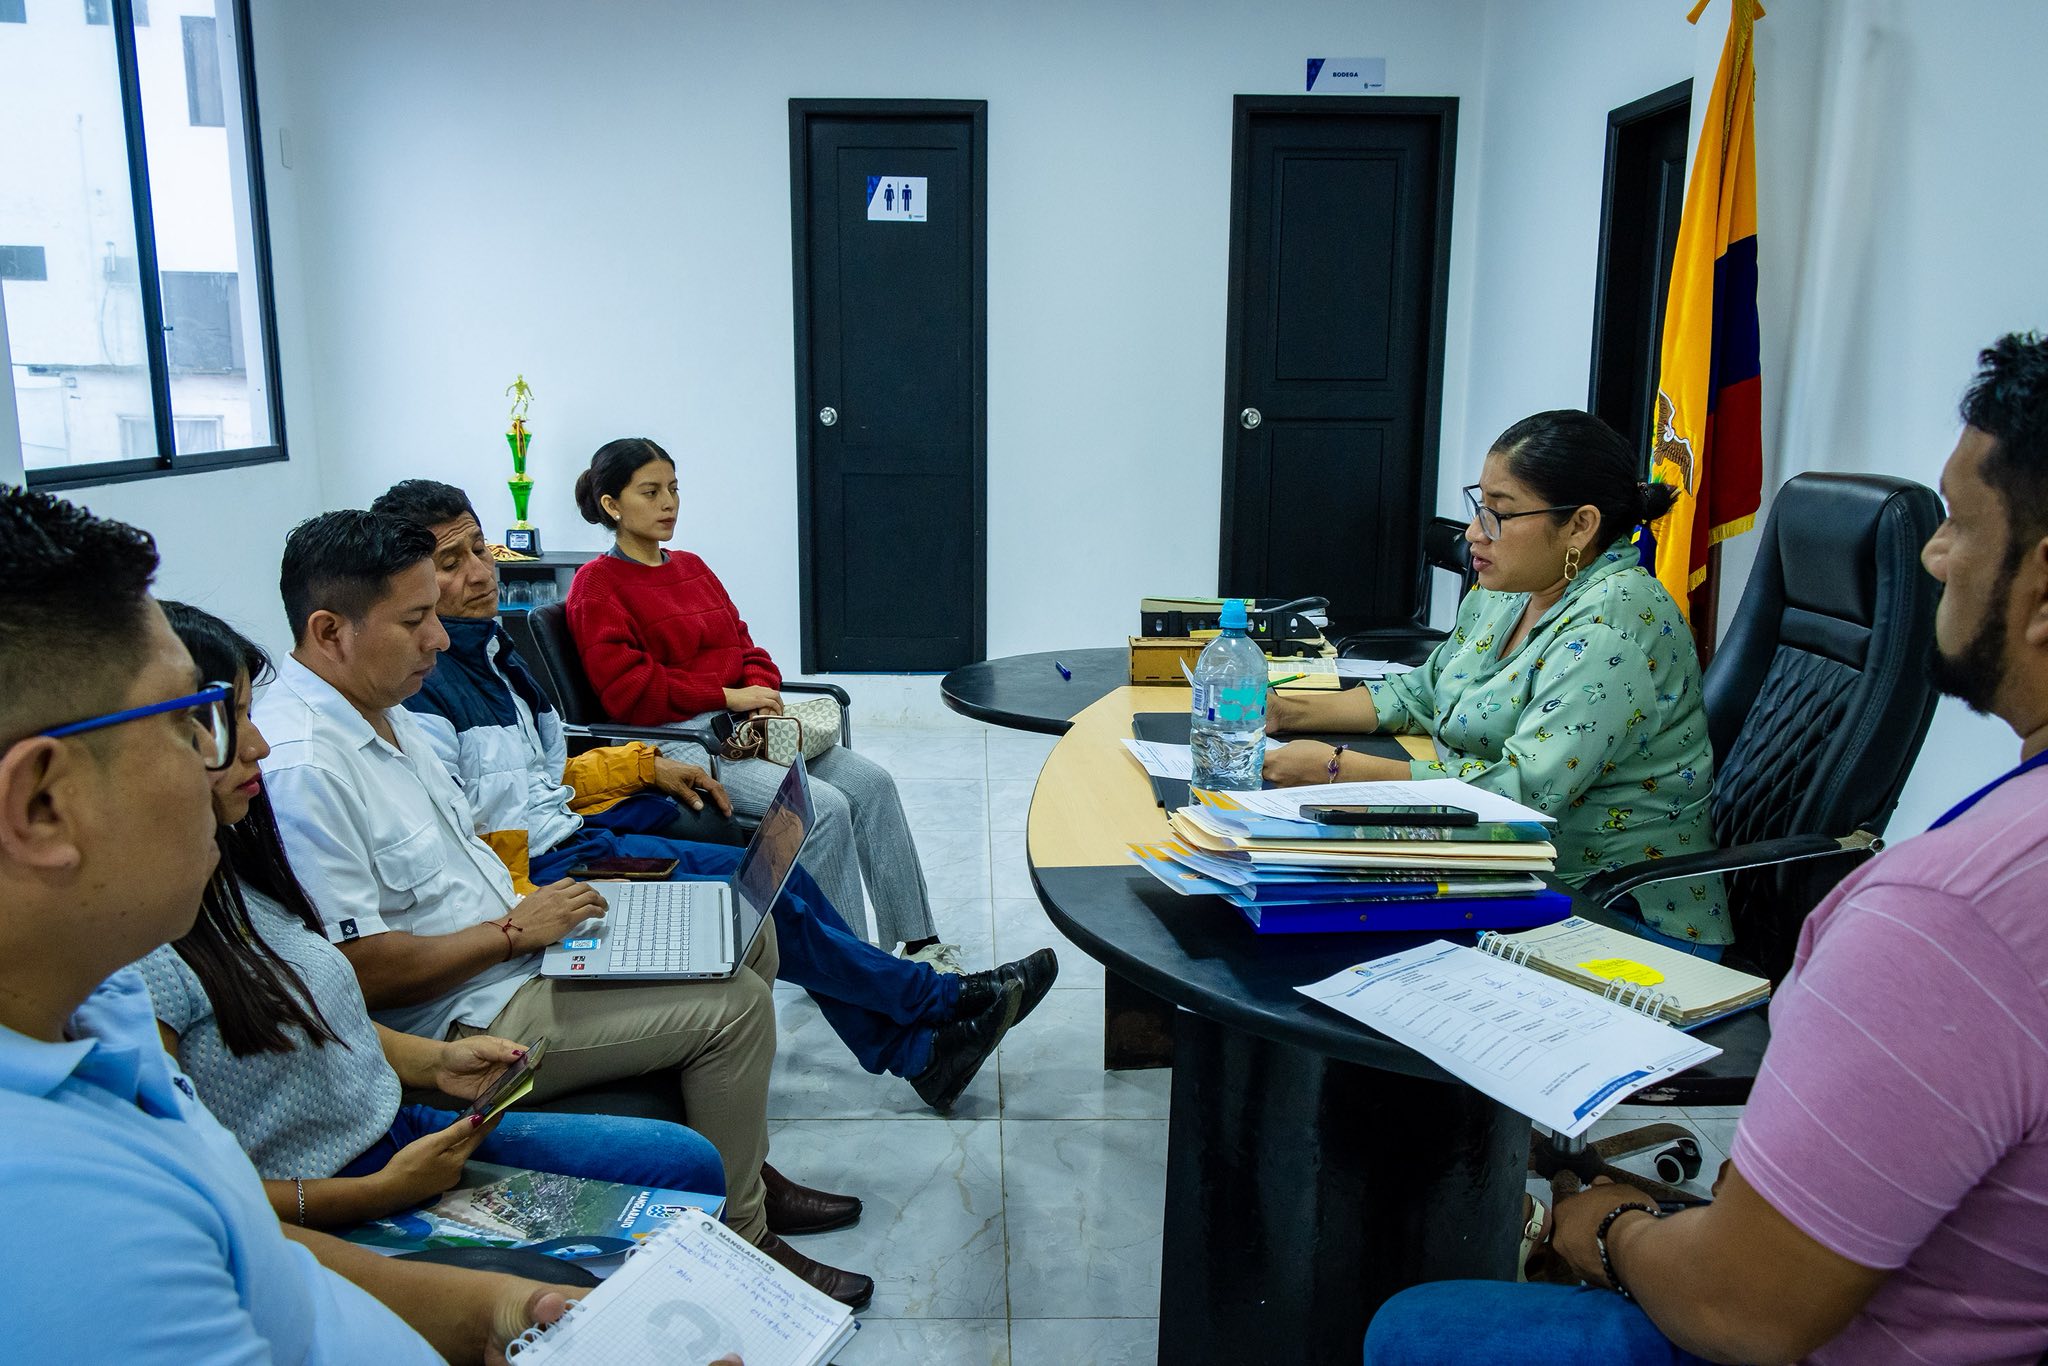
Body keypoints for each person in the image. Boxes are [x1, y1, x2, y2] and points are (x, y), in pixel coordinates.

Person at [1363, 333, 2048, 1365]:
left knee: (1411, 1329)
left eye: (1958, 522)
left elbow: (1743, 1311)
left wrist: (1609, 1228)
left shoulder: (1951, 915)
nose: (1932, 557)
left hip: (1622, 909)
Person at [0, 485, 575, 1363]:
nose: (252, 749)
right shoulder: (60, 1214)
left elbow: (268, 1258)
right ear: (44, 804)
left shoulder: (100, 1010)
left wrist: (509, 1309)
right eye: (194, 723)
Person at [253, 508, 870, 1307]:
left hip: (518, 947)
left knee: (739, 929)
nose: (438, 639)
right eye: (415, 621)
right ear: (330, 631)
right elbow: (357, 971)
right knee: (737, 1010)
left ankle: (745, 1174)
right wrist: (514, 930)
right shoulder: (306, 764)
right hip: (465, 1014)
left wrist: (557, 912)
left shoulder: (385, 707)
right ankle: (742, 1243)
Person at [367, 477, 1056, 1108]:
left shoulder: (498, 653)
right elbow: (486, 837)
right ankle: (934, 1006)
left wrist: (652, 761)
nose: (481, 572)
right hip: (563, 857)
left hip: (619, 803)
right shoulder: (430, 685)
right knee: (777, 868)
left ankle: (920, 1036)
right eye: (451, 564)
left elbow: (539, 777)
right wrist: (698, 718)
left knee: (798, 853)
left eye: (480, 550)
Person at [136, 601, 730, 1231]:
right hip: (353, 1181)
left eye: (248, 716)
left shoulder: (229, 875)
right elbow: (184, 1200)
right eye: (224, 723)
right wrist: (378, 1193)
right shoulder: (146, 948)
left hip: (396, 1118)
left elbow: (315, 1007)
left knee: (686, 1158)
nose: (258, 744)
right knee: (727, 1015)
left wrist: (433, 1063)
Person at [1265, 410, 1728, 954]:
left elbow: (1517, 795)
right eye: (1479, 505)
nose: (1474, 532)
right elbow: (1423, 692)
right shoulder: (1511, 588)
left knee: (1314, 933)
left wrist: (1334, 770)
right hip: (1505, 869)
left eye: (1500, 513)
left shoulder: (1610, 630)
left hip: (1610, 911)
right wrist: (1283, 711)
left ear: (1580, 525)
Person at [562, 437, 947, 961]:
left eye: (673, 489)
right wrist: (731, 694)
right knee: (823, 809)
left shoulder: (693, 567)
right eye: (650, 492)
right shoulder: (596, 585)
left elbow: (746, 646)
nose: (669, 503)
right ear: (611, 504)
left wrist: (762, 695)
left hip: (746, 726)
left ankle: (920, 944)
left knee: (872, 784)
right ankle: (859, 968)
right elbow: (632, 692)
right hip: (682, 741)